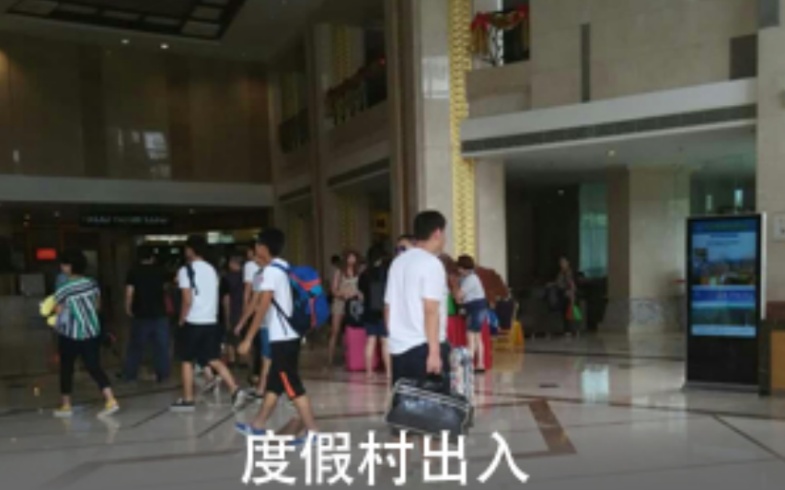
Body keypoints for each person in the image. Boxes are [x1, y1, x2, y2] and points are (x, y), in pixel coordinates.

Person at [235, 228, 320, 444]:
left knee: (292, 386)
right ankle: (258, 425)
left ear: (264, 247)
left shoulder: (272, 272)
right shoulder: (283, 267)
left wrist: (248, 338)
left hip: (283, 338)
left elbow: (263, 306)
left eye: (258, 244)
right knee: (275, 384)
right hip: (288, 336)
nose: (256, 248)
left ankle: (313, 433)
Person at [170, 235, 246, 412]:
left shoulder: (186, 270)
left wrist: (181, 319)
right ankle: (235, 389)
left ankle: (188, 399)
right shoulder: (212, 270)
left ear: (190, 250)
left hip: (193, 321)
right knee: (213, 358)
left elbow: (187, 300)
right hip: (211, 320)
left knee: (186, 360)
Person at [386, 211, 451, 390]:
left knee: (405, 403)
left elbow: (388, 307)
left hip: (400, 350)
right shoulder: (432, 264)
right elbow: (430, 309)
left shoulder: (398, 263)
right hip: (424, 348)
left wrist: (395, 339)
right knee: (433, 404)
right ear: (437, 233)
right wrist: (434, 352)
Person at [53, 249, 119, 418]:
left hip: (70, 334)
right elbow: (97, 306)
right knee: (94, 366)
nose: (62, 267)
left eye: (63, 264)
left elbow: (58, 311)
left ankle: (66, 405)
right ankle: (110, 399)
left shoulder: (63, 288)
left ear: (69, 267)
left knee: (66, 368)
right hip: (91, 331)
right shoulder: (92, 283)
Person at [122, 248, 170, 383]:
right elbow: (166, 288)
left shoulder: (133, 271)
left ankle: (130, 374)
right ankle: (162, 374)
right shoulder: (160, 271)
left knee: (136, 346)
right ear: (152, 258)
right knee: (161, 346)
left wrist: (128, 308)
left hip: (141, 313)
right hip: (159, 312)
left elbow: (129, 292)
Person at [358, 245, 391, 380]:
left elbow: (361, 291)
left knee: (370, 341)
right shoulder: (386, 272)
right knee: (385, 342)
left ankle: (369, 372)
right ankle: (389, 372)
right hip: (383, 310)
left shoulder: (364, 274)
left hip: (368, 310)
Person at [327, 250, 361, 367]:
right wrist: (343, 295)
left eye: (354, 257)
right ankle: (330, 359)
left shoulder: (358, 272)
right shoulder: (339, 272)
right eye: (349, 257)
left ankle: (349, 357)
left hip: (353, 304)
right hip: (340, 303)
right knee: (335, 331)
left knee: (350, 331)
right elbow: (333, 290)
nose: (351, 260)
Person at [455, 255, 488, 373]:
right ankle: (480, 364)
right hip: (480, 307)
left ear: (462, 267)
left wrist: (456, 293)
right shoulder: (472, 277)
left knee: (471, 337)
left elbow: (459, 296)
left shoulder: (470, 279)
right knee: (478, 337)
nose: (458, 270)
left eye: (459, 267)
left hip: (475, 308)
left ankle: (469, 365)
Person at [222, 254, 245, 367]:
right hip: (244, 310)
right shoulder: (246, 278)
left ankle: (232, 359)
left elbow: (226, 298)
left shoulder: (226, 278)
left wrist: (226, 316)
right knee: (242, 335)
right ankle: (243, 359)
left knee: (230, 336)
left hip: (232, 310)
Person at [555, 256, 577, 336]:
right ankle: (567, 329)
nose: (562, 264)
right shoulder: (560, 273)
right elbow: (558, 283)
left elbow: (571, 284)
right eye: (561, 263)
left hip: (569, 294)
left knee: (570, 311)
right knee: (565, 312)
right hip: (563, 294)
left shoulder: (569, 273)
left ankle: (571, 329)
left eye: (564, 262)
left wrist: (570, 291)